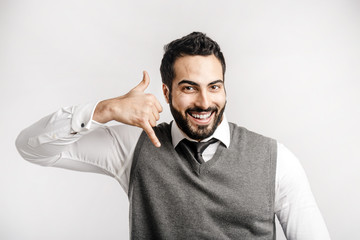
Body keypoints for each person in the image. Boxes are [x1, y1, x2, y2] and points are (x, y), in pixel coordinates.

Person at [16, 32, 330, 239]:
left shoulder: (276, 160)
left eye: (214, 87)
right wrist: (106, 109)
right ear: (167, 92)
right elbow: (32, 148)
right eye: (189, 87)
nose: (205, 102)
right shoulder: (135, 147)